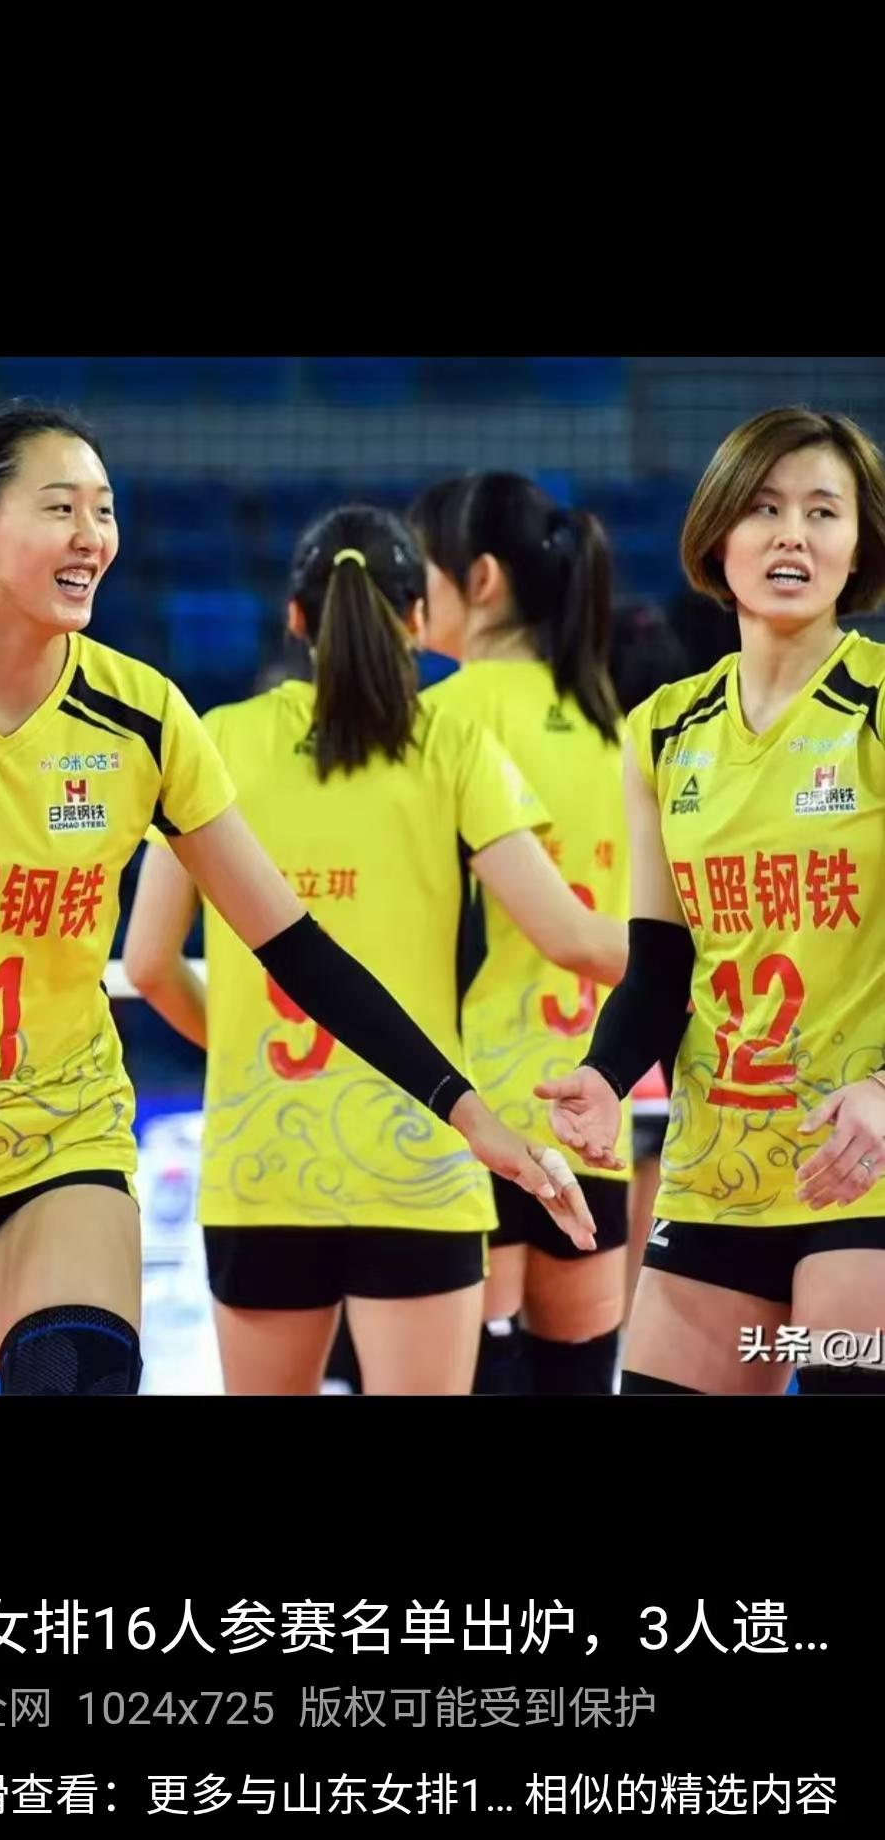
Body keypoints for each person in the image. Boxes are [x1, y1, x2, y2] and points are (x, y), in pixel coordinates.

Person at [0, 411, 594, 1397]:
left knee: (75, 1372)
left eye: (104, 510)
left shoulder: (145, 717)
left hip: (62, 1136)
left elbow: (298, 949)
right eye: (60, 509)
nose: (92, 536)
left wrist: (470, 1115)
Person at [123, 504, 625, 1395]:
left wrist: (238, 1045)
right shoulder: (452, 744)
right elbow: (568, 935)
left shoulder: (219, 738)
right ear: (418, 620)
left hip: (264, 1160)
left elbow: (149, 965)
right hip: (421, 1149)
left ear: (295, 617)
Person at [539, 406, 885, 1395]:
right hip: (717, 1180)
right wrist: (605, 1074)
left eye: (823, 511)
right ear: (717, 535)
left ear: (859, 547)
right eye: (764, 508)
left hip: (864, 1173)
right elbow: (661, 966)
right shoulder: (663, 731)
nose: (792, 535)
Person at [412, 474, 630, 1396]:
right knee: (578, 1374)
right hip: (592, 1104)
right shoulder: (615, 725)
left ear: (481, 579)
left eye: (424, 571)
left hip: (469, 1115)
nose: (411, 593)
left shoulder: (440, 720)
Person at [608, 602, 691, 1317]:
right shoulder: (687, 761)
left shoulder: (599, 759)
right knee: (652, 1189)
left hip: (600, 1022)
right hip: (666, 1017)